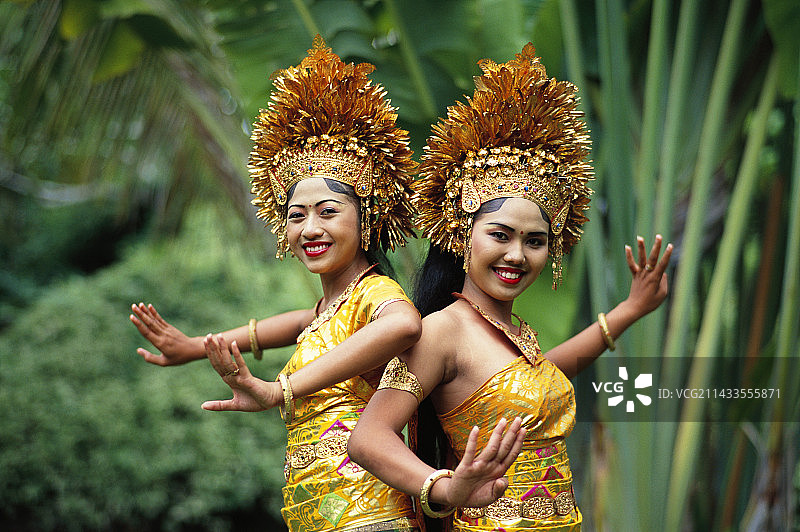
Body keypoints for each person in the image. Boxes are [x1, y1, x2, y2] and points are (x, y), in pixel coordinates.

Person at [348, 44, 673, 532]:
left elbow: (543, 375)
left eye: (535, 241)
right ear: (462, 237)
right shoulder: (441, 331)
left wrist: (631, 309)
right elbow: (368, 438)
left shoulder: (514, 331)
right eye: (500, 235)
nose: (517, 255)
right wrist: (445, 488)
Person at [130, 36, 441, 532]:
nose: (309, 228)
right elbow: (293, 325)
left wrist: (281, 390)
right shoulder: (328, 312)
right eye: (297, 216)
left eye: (328, 212)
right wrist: (193, 347)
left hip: (368, 517)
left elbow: (404, 325)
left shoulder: (374, 294)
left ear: (367, 219)